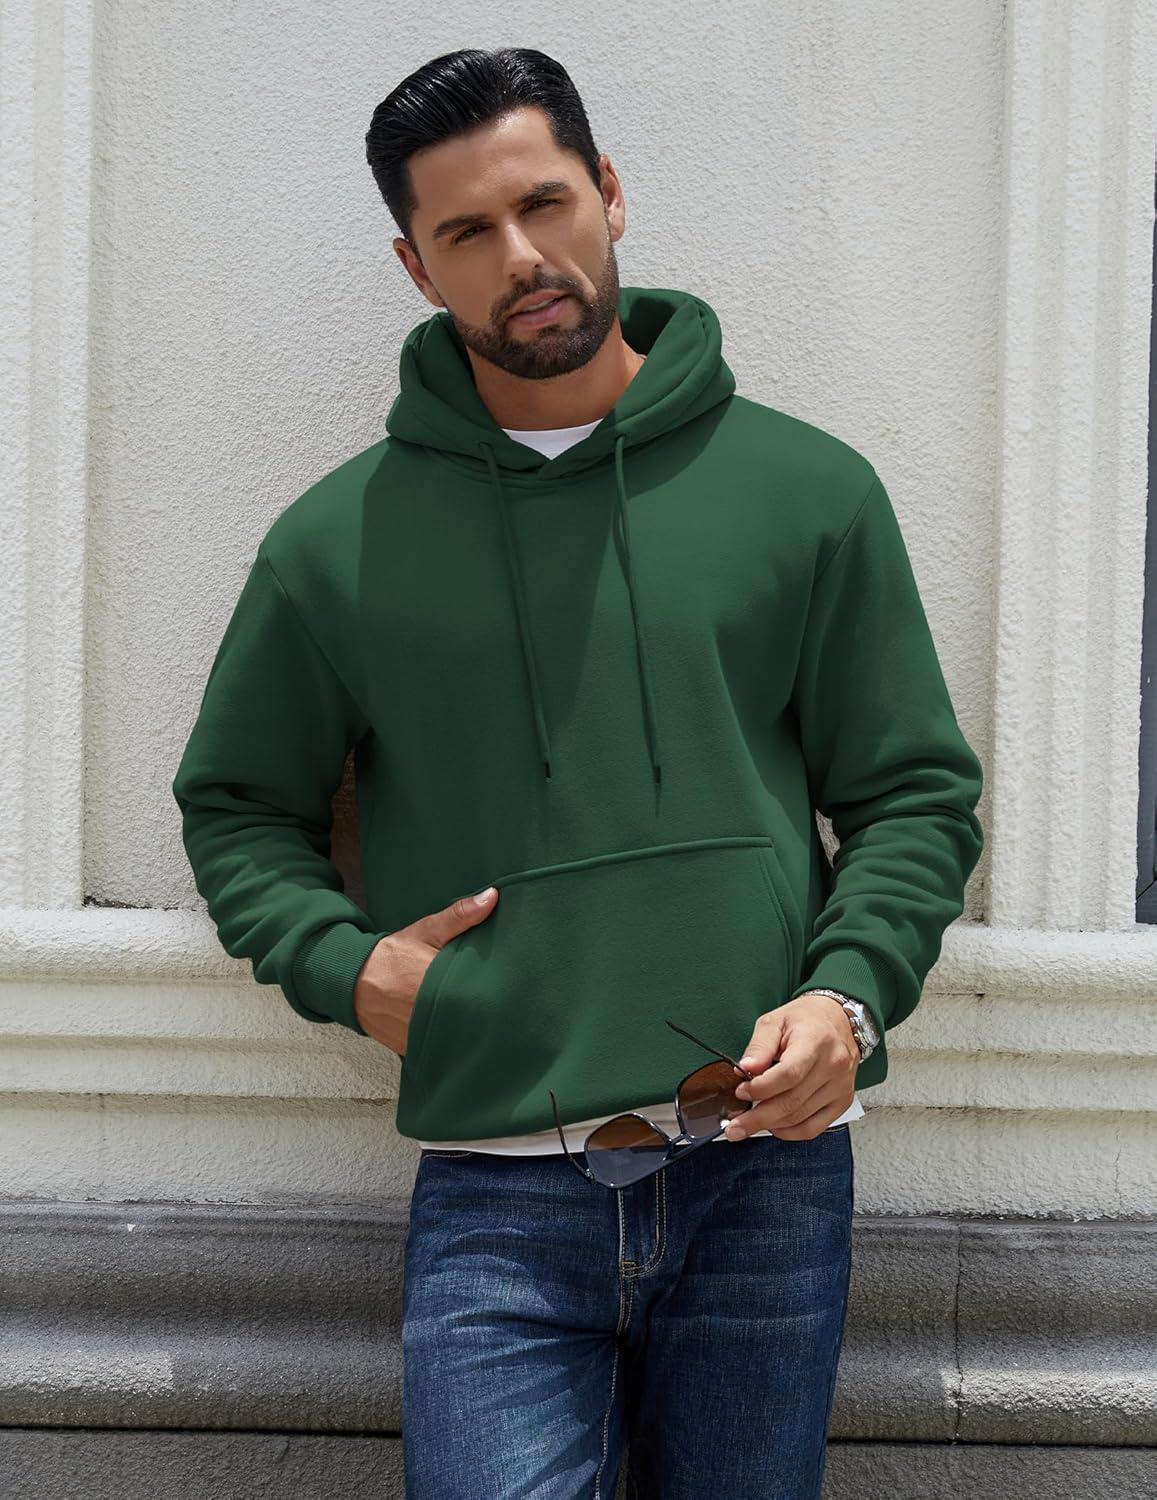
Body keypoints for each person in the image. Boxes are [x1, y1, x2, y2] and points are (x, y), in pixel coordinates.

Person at [172, 46, 985, 1500]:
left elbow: (911, 793)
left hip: (763, 1167)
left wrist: (850, 997)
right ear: (416, 268)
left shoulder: (808, 492)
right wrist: (348, 971)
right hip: (495, 1186)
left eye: (543, 203)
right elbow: (238, 807)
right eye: (466, 231)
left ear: (608, 193)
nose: (521, 257)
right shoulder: (336, 541)